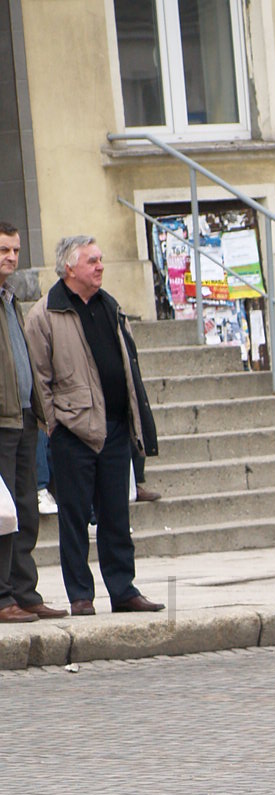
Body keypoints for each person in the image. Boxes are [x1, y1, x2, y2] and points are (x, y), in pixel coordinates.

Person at [24, 236, 163, 615]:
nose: (100, 266)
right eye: (92, 261)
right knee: (74, 517)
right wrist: (55, 424)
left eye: (100, 259)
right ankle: (81, 595)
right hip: (72, 431)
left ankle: (123, 589)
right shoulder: (44, 314)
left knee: (116, 514)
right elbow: (39, 378)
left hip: (115, 428)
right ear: (70, 268)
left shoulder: (110, 306)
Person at [0, 222, 66, 621]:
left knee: (25, 508)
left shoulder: (11, 299)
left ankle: (25, 592)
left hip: (23, 417)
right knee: (3, 512)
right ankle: (2, 597)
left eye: (15, 251)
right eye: (3, 250)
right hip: (1, 420)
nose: (11, 258)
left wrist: (40, 413)